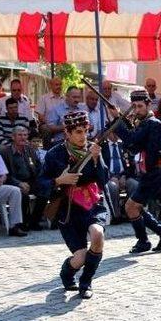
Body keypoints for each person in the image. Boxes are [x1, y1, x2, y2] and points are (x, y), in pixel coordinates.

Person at [38, 111, 108, 299]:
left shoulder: (94, 149)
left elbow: (103, 181)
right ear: (67, 133)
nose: (83, 136)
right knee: (80, 257)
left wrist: (95, 160)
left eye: (85, 131)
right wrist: (59, 180)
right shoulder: (55, 154)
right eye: (78, 131)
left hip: (93, 202)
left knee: (97, 234)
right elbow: (41, 184)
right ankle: (67, 273)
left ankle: (86, 283)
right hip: (68, 210)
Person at [114, 90, 161, 253]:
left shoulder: (153, 123)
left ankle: (144, 241)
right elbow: (135, 142)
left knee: (131, 207)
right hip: (151, 174)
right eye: (134, 106)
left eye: (140, 106)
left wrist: (117, 121)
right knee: (133, 207)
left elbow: (133, 140)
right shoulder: (144, 124)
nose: (137, 110)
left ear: (148, 105)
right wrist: (120, 120)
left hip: (156, 173)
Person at [0, 126, 46, 230]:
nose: (23, 137)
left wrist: (42, 180)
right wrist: (18, 183)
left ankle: (34, 221)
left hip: (31, 181)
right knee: (22, 194)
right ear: (13, 137)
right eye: (20, 135)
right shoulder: (4, 152)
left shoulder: (30, 150)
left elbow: (38, 167)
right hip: (13, 182)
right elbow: (4, 174)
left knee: (45, 189)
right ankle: (23, 223)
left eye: (25, 135)